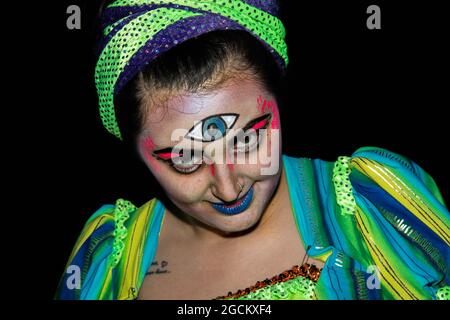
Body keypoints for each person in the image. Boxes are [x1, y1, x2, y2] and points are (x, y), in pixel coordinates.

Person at [56, 0, 449, 300]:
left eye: (247, 139)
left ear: (278, 102)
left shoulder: (371, 207)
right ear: (135, 151)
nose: (229, 189)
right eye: (185, 158)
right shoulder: (108, 259)